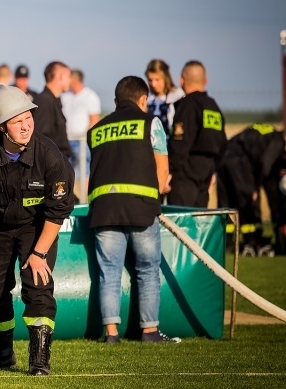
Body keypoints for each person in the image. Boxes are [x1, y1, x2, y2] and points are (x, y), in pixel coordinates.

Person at [0, 85, 75, 376]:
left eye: (28, 118)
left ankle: (39, 360)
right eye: (17, 121)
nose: (25, 126)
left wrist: (39, 254)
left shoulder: (50, 156)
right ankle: (1, 355)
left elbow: (57, 212)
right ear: (2, 127)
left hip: (36, 227)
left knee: (37, 285)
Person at [88, 75, 180, 343]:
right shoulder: (151, 122)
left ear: (116, 101)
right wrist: (160, 190)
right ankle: (149, 331)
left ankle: (111, 333)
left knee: (109, 271)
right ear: (143, 99)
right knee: (148, 269)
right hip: (142, 208)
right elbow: (162, 169)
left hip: (104, 209)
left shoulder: (97, 129)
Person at [217, 124, 285, 257]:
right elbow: (265, 163)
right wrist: (255, 187)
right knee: (247, 204)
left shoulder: (266, 131)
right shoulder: (278, 140)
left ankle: (226, 242)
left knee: (226, 203)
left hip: (224, 158)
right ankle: (253, 240)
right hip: (240, 162)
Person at [168, 60, 227, 208]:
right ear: (205, 81)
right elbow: (223, 143)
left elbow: (179, 144)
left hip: (185, 173)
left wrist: (169, 171)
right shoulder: (213, 106)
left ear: (182, 80)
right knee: (199, 217)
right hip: (207, 172)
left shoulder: (188, 105)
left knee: (181, 218)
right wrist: (214, 171)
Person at [61, 69, 101, 177]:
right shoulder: (65, 96)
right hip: (66, 139)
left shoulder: (90, 96)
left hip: (81, 141)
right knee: (67, 171)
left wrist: (86, 137)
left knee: (83, 170)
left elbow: (94, 119)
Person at [33, 61, 72, 160]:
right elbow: (40, 138)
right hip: (51, 163)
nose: (70, 80)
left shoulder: (54, 101)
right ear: (61, 76)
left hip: (59, 161)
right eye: (68, 76)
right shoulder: (44, 101)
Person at [145, 59, 184, 137]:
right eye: (150, 80)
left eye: (157, 80)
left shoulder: (178, 96)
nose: (153, 84)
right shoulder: (145, 97)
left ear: (166, 77)